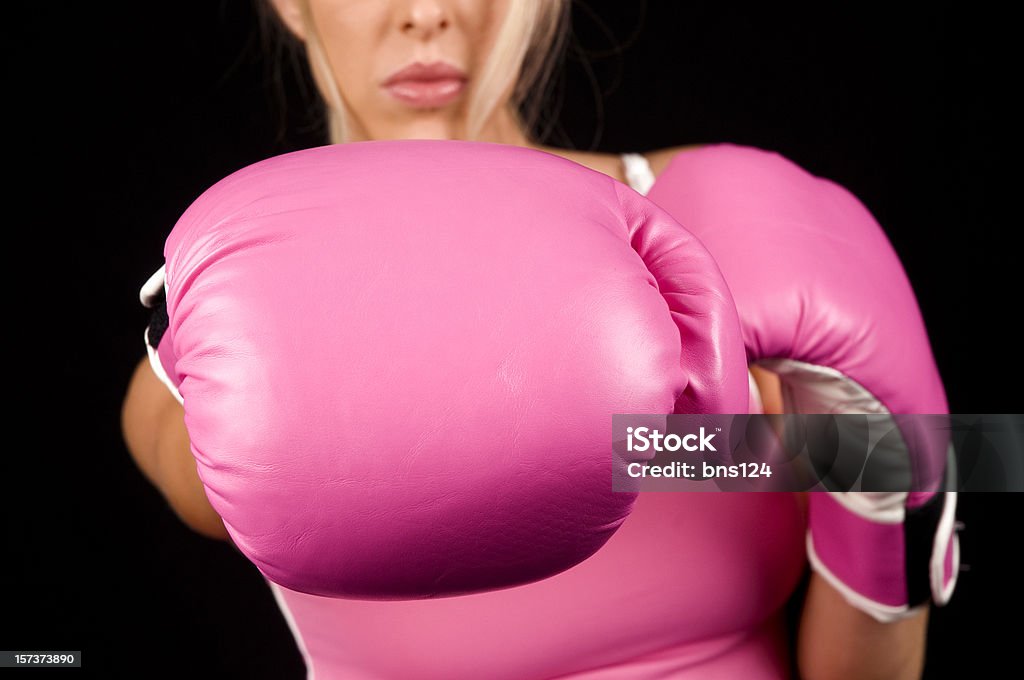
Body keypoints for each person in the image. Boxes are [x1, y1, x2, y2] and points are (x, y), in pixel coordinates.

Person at [121, 1, 943, 678]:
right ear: (290, 8)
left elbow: (976, 467)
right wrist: (765, 442)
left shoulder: (720, 225)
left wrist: (898, 503)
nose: (427, 16)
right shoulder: (240, 306)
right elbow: (198, 469)